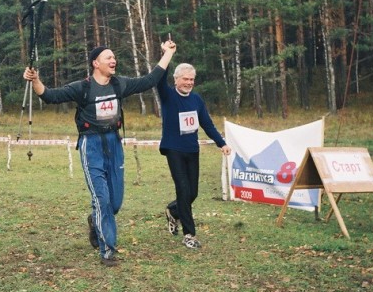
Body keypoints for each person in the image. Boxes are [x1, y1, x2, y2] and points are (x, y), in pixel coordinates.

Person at [24, 41, 177, 266]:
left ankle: (95, 221)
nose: (113, 60)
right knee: (102, 199)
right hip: (91, 145)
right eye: (108, 57)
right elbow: (50, 96)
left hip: (114, 143)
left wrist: (169, 54)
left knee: (114, 204)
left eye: (114, 57)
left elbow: (150, 80)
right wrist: (35, 80)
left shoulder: (120, 84)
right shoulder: (82, 87)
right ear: (96, 63)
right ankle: (107, 251)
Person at [156, 62, 231, 249]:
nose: (189, 83)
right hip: (173, 149)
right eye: (185, 79)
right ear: (176, 79)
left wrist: (221, 143)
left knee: (192, 193)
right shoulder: (168, 96)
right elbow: (159, 80)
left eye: (192, 79)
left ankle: (173, 210)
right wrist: (167, 55)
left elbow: (207, 124)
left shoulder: (196, 100)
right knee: (183, 189)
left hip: (192, 150)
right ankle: (189, 234)